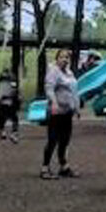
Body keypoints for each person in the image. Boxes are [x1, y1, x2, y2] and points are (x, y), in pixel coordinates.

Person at [40, 49, 79, 180]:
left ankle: (64, 166)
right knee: (53, 139)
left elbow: (74, 91)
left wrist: (76, 107)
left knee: (65, 140)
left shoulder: (69, 73)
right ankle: (45, 168)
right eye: (62, 57)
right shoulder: (53, 72)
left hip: (67, 112)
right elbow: (49, 88)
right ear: (57, 59)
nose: (64, 60)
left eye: (67, 57)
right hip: (56, 112)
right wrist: (54, 103)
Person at [0, 68, 22, 143]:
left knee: (5, 119)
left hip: (4, 103)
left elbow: (16, 93)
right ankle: (11, 133)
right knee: (11, 119)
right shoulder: (4, 84)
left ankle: (6, 132)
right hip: (5, 103)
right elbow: (16, 93)